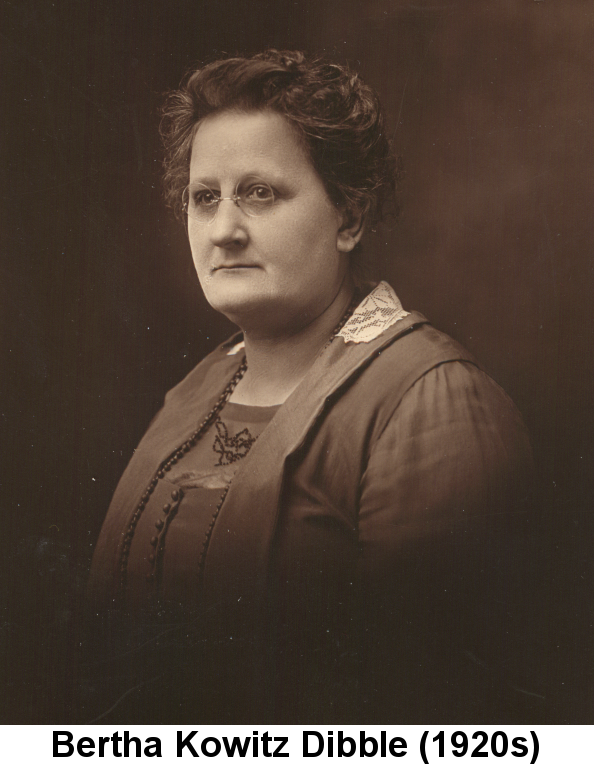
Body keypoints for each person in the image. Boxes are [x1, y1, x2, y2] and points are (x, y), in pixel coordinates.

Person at [86, 50, 535, 724]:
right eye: (204, 197)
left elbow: (446, 718)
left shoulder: (430, 405)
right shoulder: (193, 394)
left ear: (349, 217)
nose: (224, 229)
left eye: (260, 193)